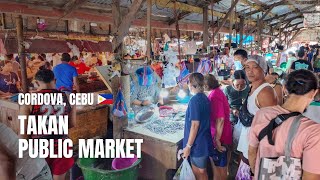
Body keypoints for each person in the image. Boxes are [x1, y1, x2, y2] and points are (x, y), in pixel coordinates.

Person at [248, 69, 320, 179]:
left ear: (284, 89)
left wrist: (255, 171)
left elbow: (252, 151)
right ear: (314, 93)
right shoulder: (313, 131)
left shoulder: (262, 114)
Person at [20, 69, 76, 180]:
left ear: (36, 82)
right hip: (61, 146)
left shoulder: (29, 101)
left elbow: (23, 132)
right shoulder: (68, 98)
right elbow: (71, 124)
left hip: (39, 148)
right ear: (54, 80)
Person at [236, 55, 278, 179]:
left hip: (257, 145)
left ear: (263, 69)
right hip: (249, 141)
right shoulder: (253, 87)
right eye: (247, 67)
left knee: (251, 172)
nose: (250, 71)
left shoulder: (265, 92)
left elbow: (270, 124)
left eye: (255, 67)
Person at [183, 73, 213, 180]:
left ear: (192, 84)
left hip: (197, 144)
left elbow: (195, 125)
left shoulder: (194, 100)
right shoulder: (204, 97)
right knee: (202, 172)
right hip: (203, 141)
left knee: (199, 173)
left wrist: (188, 146)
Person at [204, 74, 232, 180]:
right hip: (220, 134)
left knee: (220, 168)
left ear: (206, 85)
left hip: (221, 136)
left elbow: (220, 119)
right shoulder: (217, 92)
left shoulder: (215, 95)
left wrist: (217, 140)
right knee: (217, 167)